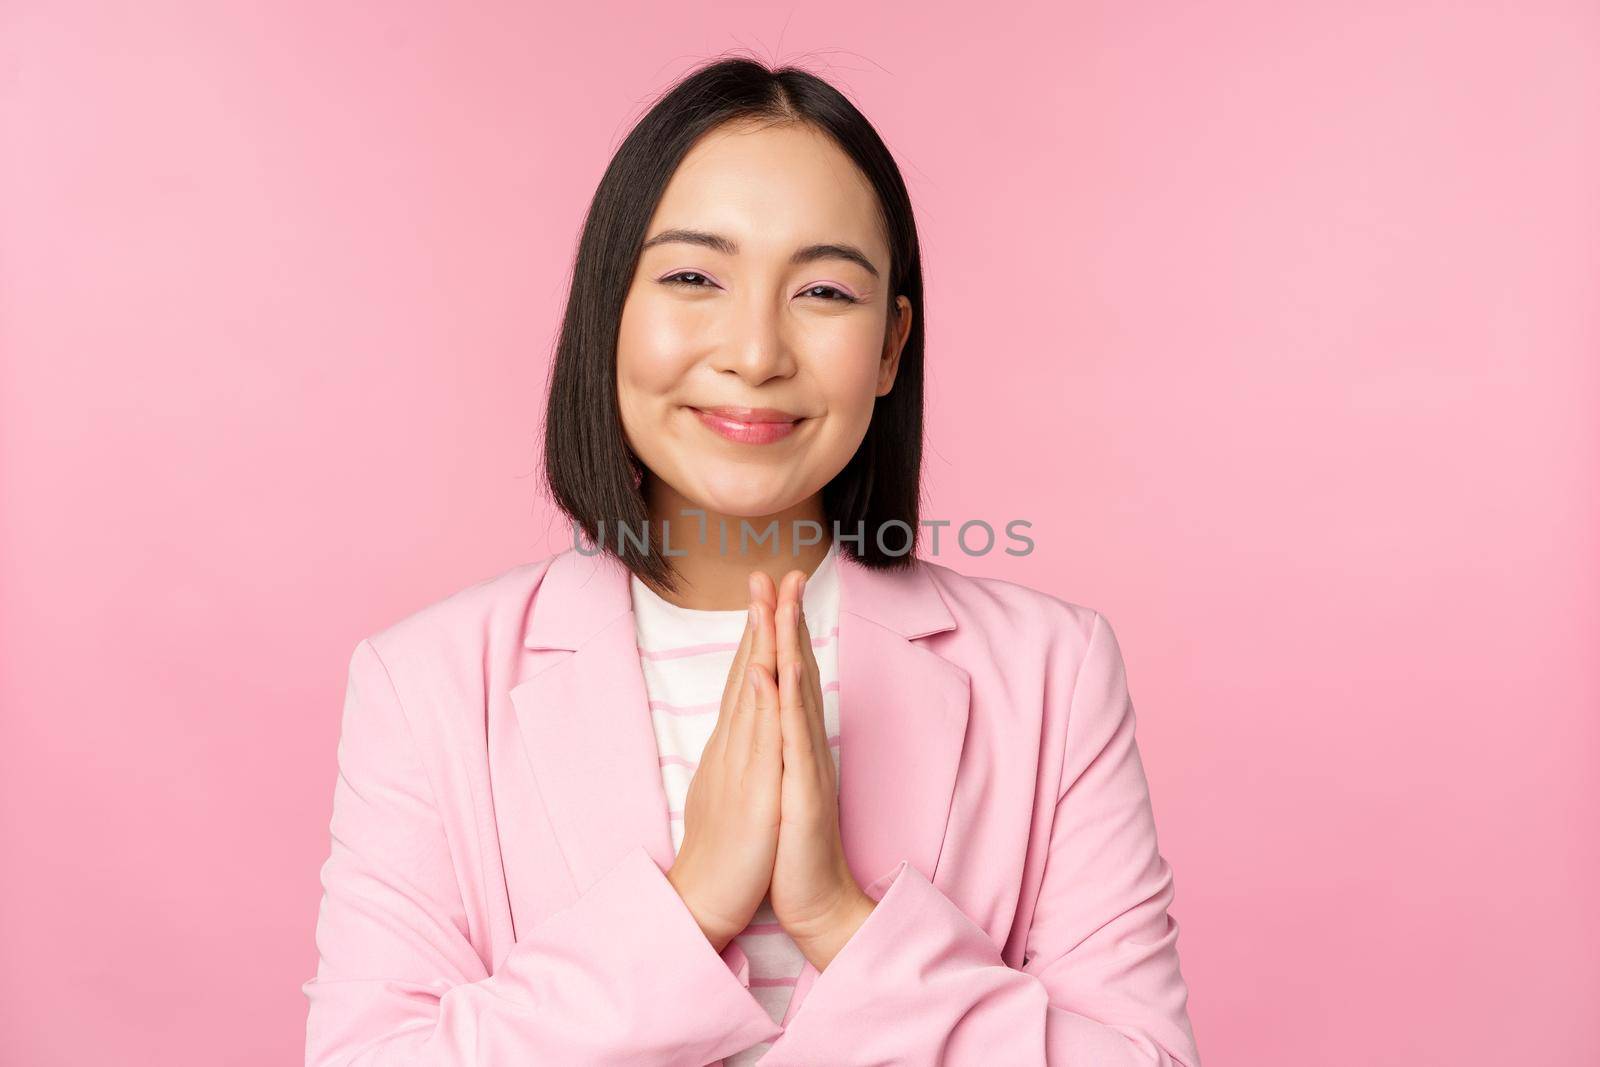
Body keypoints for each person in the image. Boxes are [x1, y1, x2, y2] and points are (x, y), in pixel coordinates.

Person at [303, 56, 1201, 1066]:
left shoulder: (1051, 670)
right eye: (692, 277)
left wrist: (839, 918)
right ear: (610, 310)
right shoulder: (423, 680)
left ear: (891, 345)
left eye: (822, 290)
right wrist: (688, 908)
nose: (756, 351)